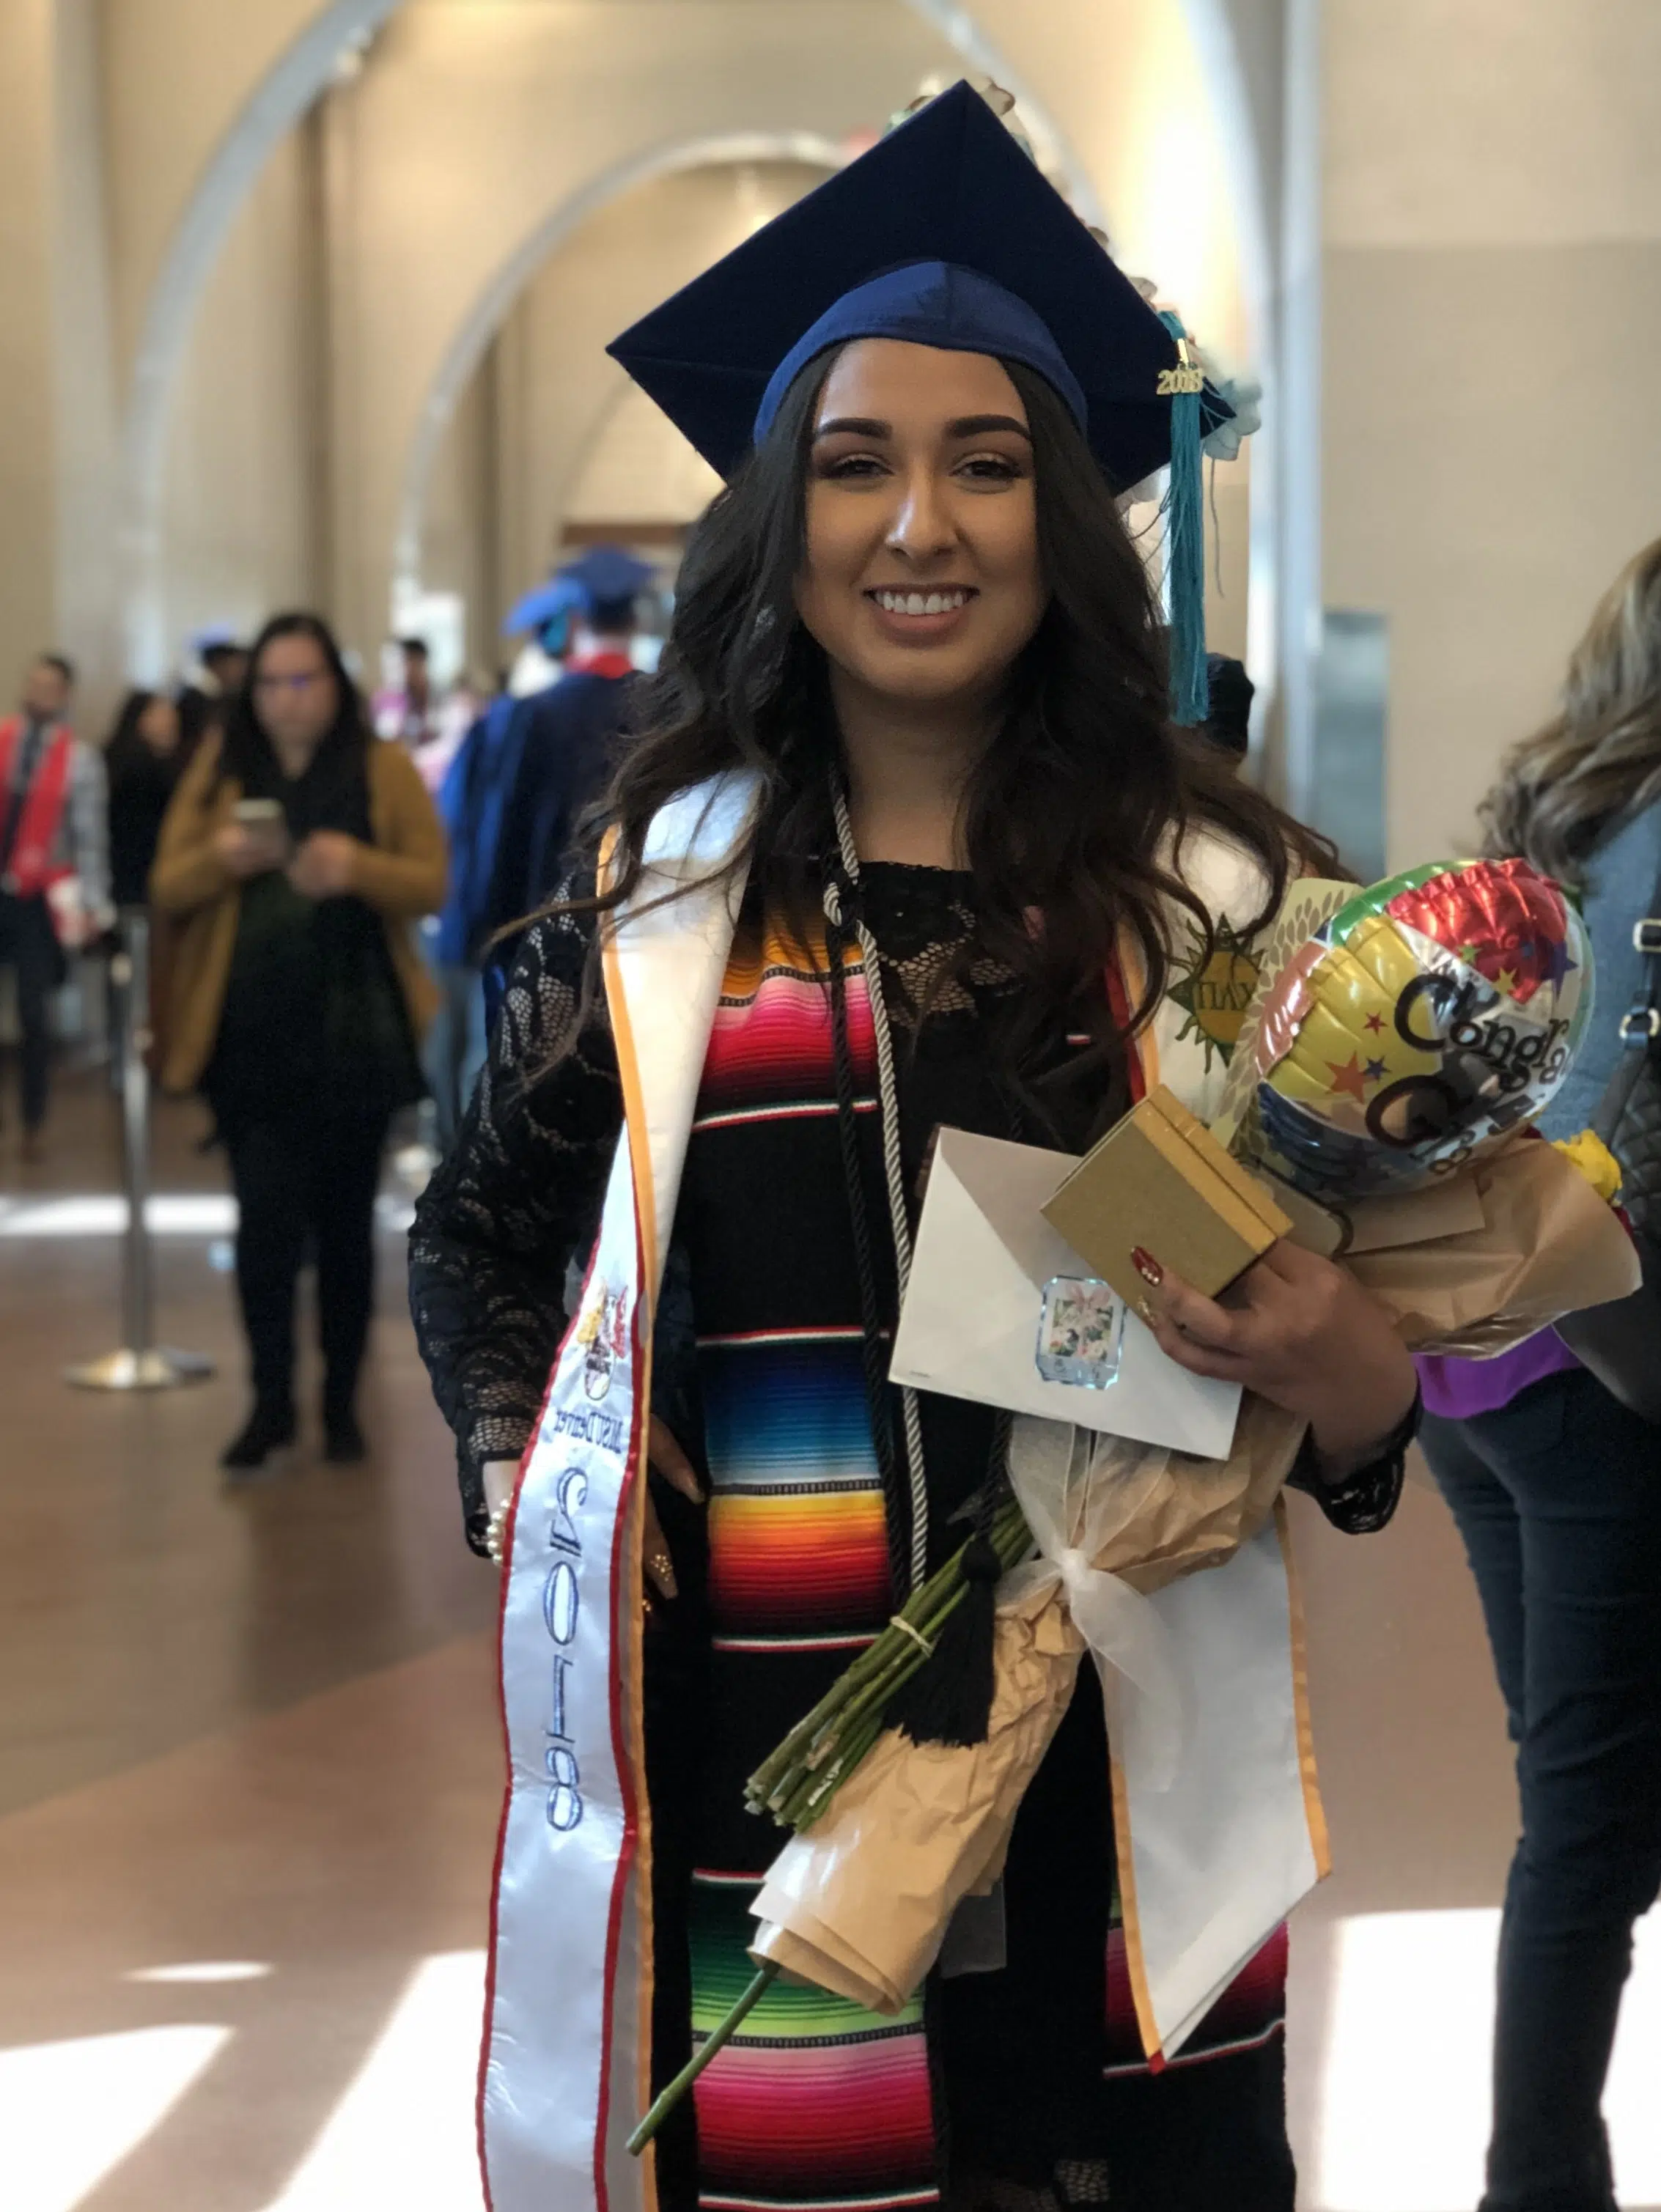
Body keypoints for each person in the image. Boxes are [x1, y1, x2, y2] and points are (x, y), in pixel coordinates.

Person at [410, 86, 1417, 2212]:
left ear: (1062, 515)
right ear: (778, 522)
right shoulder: (653, 905)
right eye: (854, 464)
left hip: (1119, 1748)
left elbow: (1379, 1378)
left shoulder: (1213, 906)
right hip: (771, 1756)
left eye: (983, 463)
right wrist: (538, 1466)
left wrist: (1342, 1361)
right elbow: (482, 1228)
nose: (918, 525)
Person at [1416, 534, 1661, 2212]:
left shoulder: (1541, 829)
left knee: (1571, 1803)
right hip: (1597, 1370)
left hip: (1470, 1378)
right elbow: (1608, 1141)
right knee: (1585, 1840)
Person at [152, 612, 446, 1472]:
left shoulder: (380, 766)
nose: (289, 698)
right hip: (247, 1040)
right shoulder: (220, 768)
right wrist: (224, 858)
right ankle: (270, 1403)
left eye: (306, 679)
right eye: (273, 682)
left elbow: (432, 879)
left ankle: (341, 1405)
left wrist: (356, 869)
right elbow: (168, 880)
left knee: (348, 1231)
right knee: (263, 1228)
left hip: (355, 1037)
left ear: (336, 684)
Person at [479, 544, 652, 951]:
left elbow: (507, 831)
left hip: (547, 915)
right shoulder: (661, 706)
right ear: (635, 621)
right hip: (639, 925)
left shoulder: (536, 714)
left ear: (576, 622)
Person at [0, 653, 109, 1158]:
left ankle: (34, 1119)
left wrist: (92, 901)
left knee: (33, 1010)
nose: (40, 692)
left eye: (51, 686)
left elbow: (89, 835)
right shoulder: (2, 741)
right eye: (34, 682)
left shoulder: (79, 759)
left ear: (65, 695)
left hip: (39, 896)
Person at [105, 690, 185, 909]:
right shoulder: (140, 768)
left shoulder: (121, 760)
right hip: (136, 880)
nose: (171, 720)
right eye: (161, 713)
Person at [176, 630, 249, 762]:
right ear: (218, 665)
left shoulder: (226, 696)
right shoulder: (194, 699)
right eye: (235, 664)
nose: (241, 671)